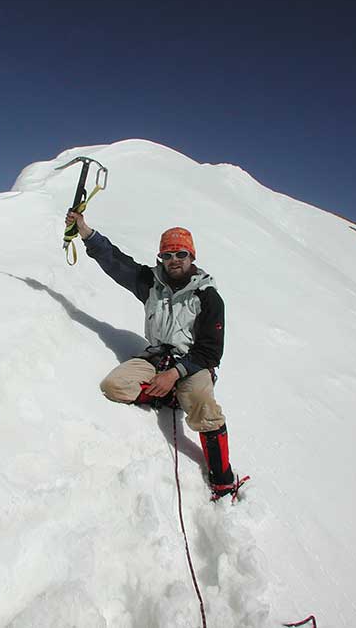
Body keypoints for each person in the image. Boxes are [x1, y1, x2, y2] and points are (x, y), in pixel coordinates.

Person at [66, 211, 237, 501]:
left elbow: (211, 350)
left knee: (203, 405)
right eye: (167, 255)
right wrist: (85, 231)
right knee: (114, 386)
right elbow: (115, 261)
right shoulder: (151, 283)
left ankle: (223, 478)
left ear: (191, 256)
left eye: (181, 253)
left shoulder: (208, 296)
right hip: (156, 357)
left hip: (193, 364)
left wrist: (175, 374)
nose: (174, 260)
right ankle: (168, 395)